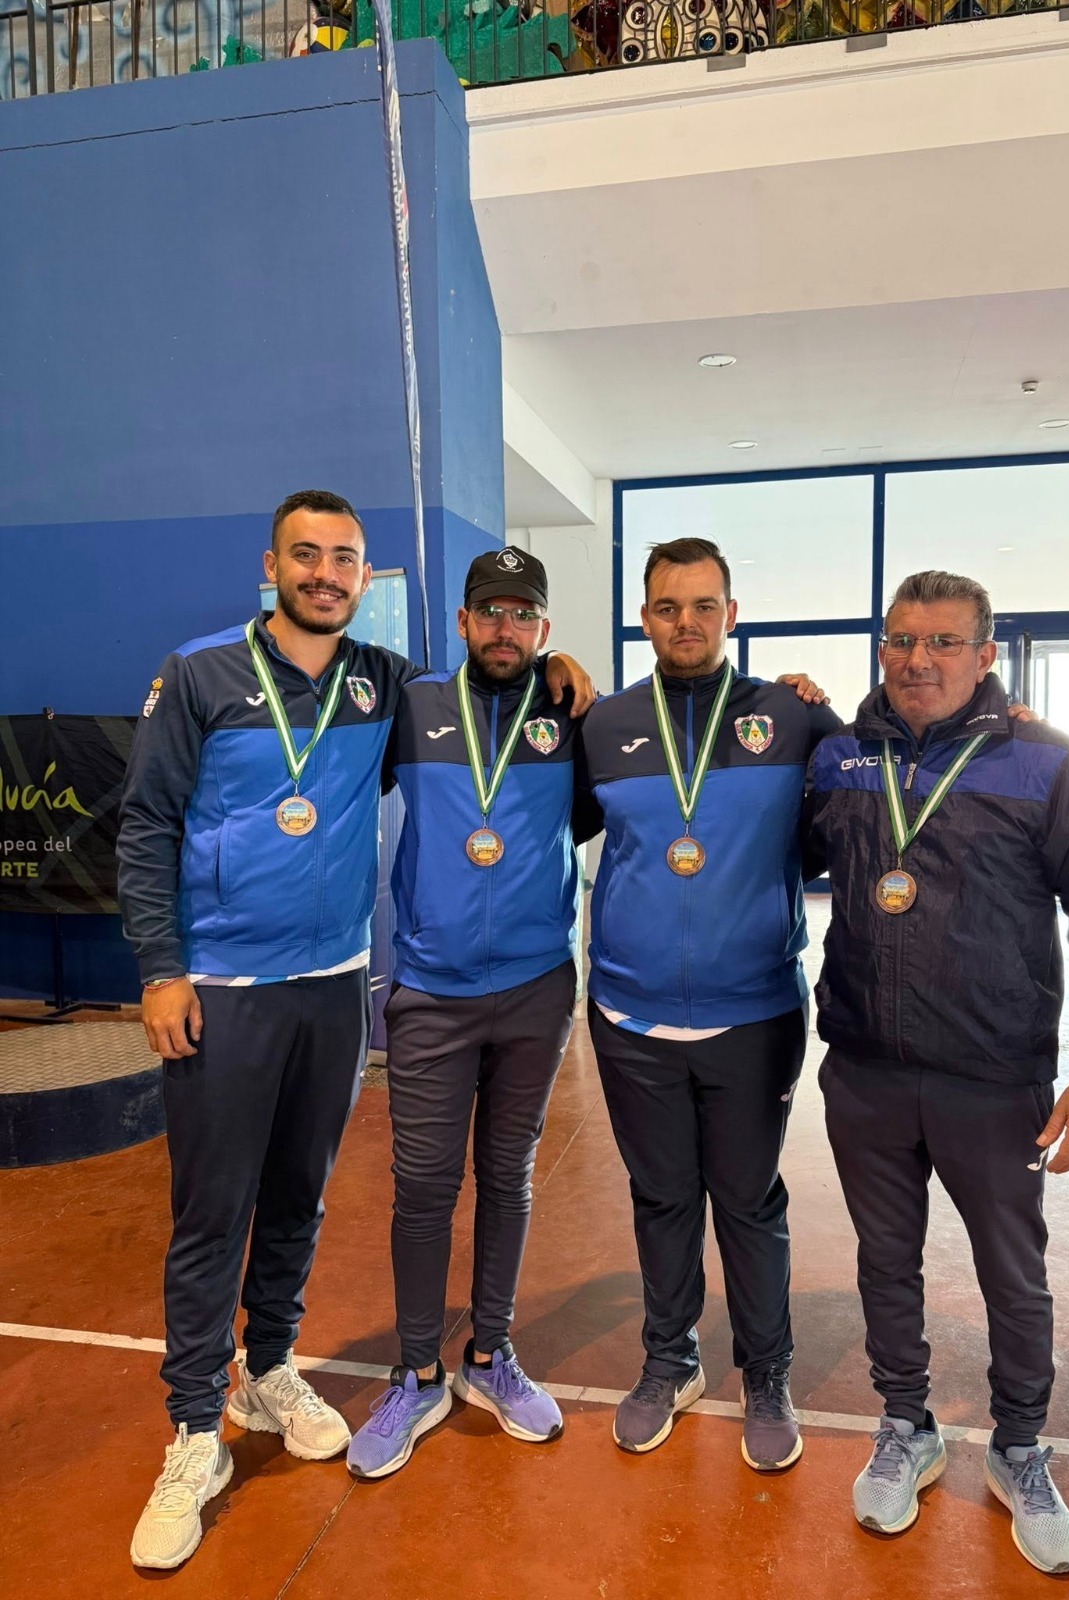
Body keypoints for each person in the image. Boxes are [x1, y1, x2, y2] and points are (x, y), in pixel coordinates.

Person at [117, 496, 590, 1569]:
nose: (325, 574)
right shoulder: (200, 674)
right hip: (224, 984)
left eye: (344, 559)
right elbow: (146, 822)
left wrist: (570, 676)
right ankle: (193, 1429)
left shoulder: (383, 684)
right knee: (212, 1210)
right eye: (308, 555)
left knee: (299, 1196)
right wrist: (160, 969)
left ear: (364, 577)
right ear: (273, 564)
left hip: (335, 981)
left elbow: (497, 704)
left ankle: (270, 1369)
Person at [801, 568, 1069, 1575]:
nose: (918, 659)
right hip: (865, 1070)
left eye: (944, 641)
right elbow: (777, 847)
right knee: (885, 1258)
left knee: (1013, 1270)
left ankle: (1019, 1446)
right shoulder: (838, 756)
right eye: (901, 639)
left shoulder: (1048, 764)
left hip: (995, 1077)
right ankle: (904, 1424)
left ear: (985, 654)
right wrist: (786, 707)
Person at [575, 536, 840, 1473]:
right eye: (666, 607)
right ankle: (670, 1359)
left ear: (731, 614)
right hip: (631, 1013)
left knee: (748, 1201)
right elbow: (540, 821)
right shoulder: (603, 725)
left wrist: (1006, 719)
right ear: (644, 618)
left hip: (753, 1011)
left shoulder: (792, 717)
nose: (684, 622)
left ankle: (766, 1372)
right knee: (661, 1197)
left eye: (702, 606)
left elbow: (866, 797)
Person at [346, 549, 586, 1479]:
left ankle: (489, 1355)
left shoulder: (573, 718)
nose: (505, 629)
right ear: (461, 621)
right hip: (432, 991)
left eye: (523, 615)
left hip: (535, 988)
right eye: (490, 612)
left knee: (508, 1175)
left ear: (544, 630)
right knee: (422, 1186)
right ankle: (416, 1373)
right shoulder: (411, 707)